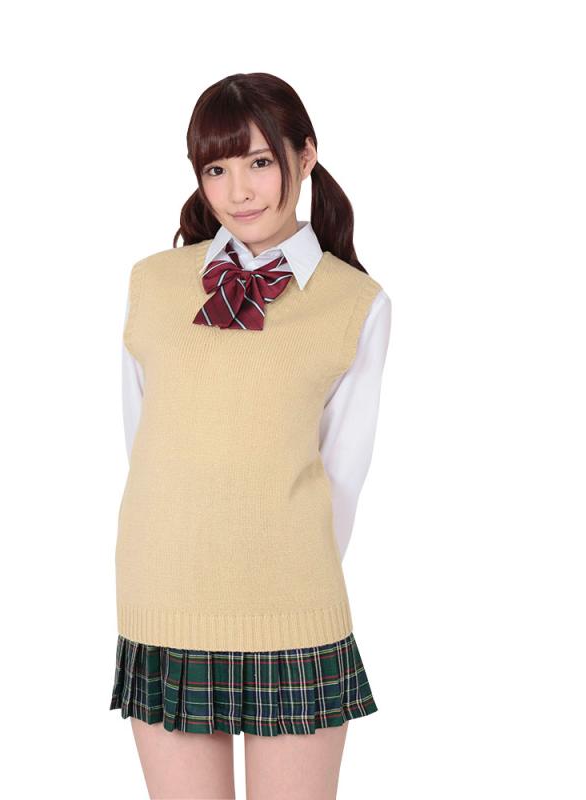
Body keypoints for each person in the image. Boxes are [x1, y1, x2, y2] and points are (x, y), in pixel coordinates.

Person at [109, 72, 392, 800]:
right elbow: (148, 450)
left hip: (294, 607)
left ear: (306, 155)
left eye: (260, 162)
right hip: (166, 596)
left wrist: (279, 571)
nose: (238, 191)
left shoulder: (355, 302)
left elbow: (344, 473)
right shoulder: (152, 284)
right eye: (216, 169)